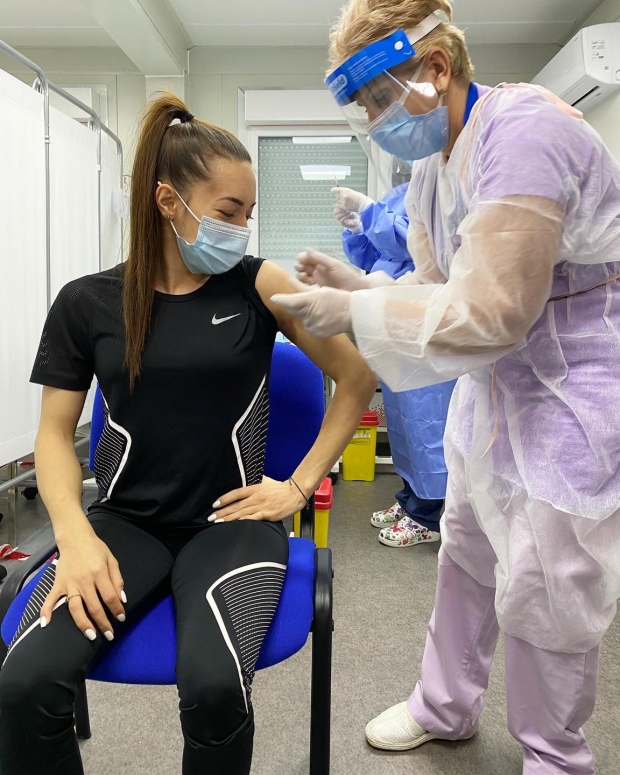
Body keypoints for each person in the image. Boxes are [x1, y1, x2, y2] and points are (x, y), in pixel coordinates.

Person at [272, 1, 620, 773]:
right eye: (364, 107)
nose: (375, 121)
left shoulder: (524, 133)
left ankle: (554, 752)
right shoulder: (434, 170)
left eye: (379, 99)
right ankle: (445, 705)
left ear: (435, 67)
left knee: (548, 577)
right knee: (465, 545)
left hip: (573, 381)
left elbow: (495, 312)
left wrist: (353, 312)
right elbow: (440, 288)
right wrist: (359, 283)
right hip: (496, 386)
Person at [0, 94, 377, 775]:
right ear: (168, 202)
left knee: (213, 690)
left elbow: (355, 378)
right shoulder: (87, 303)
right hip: (124, 524)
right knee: (24, 684)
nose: (241, 229)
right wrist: (75, 537)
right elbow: (53, 436)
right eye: (228, 212)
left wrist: (297, 488)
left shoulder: (258, 284)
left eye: (248, 213)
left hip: (231, 525)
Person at [334, 182, 455, 547]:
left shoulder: (444, 192)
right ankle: (409, 501)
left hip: (426, 322)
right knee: (403, 425)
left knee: (427, 424)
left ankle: (428, 516)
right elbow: (375, 258)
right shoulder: (404, 191)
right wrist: (359, 228)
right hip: (398, 323)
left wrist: (371, 214)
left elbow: (420, 246)